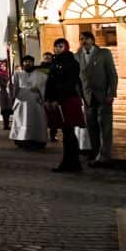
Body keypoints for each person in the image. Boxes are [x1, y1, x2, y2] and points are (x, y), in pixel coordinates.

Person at [77, 31, 118, 168]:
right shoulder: (77, 56)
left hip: (103, 95)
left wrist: (111, 93)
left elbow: (112, 74)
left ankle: (105, 156)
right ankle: (95, 154)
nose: (84, 41)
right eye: (82, 39)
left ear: (93, 40)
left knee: (105, 126)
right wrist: (80, 94)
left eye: (87, 39)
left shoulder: (104, 53)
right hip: (88, 97)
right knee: (92, 127)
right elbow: (78, 79)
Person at [46, 38, 87, 172]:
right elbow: (50, 82)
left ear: (66, 47)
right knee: (66, 132)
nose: (57, 49)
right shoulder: (54, 62)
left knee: (69, 132)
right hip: (58, 100)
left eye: (60, 46)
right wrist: (48, 98)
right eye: (56, 46)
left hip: (68, 100)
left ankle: (73, 163)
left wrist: (59, 98)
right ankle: (69, 162)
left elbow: (70, 83)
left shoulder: (71, 62)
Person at [10, 55, 48, 149]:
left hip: (35, 101)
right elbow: (14, 88)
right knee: (21, 121)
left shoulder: (41, 75)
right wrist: (13, 98)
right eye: (25, 62)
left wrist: (41, 94)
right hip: (21, 101)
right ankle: (21, 140)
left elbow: (45, 88)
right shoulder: (18, 74)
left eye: (29, 62)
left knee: (36, 121)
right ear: (23, 63)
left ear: (33, 63)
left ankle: (37, 140)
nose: (27, 63)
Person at [0, 61, 13, 130]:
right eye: (2, 66)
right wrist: (6, 84)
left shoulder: (6, 74)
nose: (3, 67)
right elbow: (0, 83)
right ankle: (5, 125)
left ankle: (7, 124)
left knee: (8, 109)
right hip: (3, 92)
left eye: (4, 66)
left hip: (8, 93)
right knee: (4, 109)